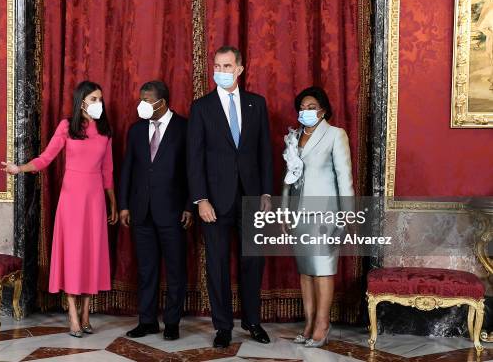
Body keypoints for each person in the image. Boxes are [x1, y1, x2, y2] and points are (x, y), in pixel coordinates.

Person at [1, 81, 118, 337]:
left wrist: (113, 203)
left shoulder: (106, 130)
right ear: (82, 101)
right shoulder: (67, 126)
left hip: (96, 199)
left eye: (101, 98)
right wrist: (18, 168)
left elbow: (108, 171)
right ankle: (73, 315)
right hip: (72, 200)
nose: (99, 103)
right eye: (94, 99)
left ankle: (87, 314)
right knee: (74, 255)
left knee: (92, 255)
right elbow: (45, 158)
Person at [187, 46, 273, 348]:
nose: (221, 71)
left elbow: (265, 151)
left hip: (251, 198)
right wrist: (200, 199)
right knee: (218, 264)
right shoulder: (201, 107)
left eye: (227, 66)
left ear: (240, 69)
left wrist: (265, 192)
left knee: (253, 262)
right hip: (214, 201)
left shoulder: (256, 104)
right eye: (217, 66)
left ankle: (252, 321)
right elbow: (193, 158)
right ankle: (222, 326)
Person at [119, 80, 192, 341]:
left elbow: (191, 170)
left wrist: (189, 206)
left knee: (175, 270)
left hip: (173, 211)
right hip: (141, 211)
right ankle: (147, 320)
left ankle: (172, 322)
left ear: (162, 102)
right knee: (146, 269)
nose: (142, 105)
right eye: (141, 99)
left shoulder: (185, 127)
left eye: (147, 100)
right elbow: (128, 168)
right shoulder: (136, 130)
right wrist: (125, 204)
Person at [282, 86, 354, 348]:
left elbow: (344, 177)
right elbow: (288, 178)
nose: (306, 111)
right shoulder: (294, 136)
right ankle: (310, 322)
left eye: (311, 107)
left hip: (325, 213)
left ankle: (323, 324)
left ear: (323, 109)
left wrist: (347, 216)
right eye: (302, 107)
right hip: (298, 213)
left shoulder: (336, 135)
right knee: (306, 271)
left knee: (322, 270)